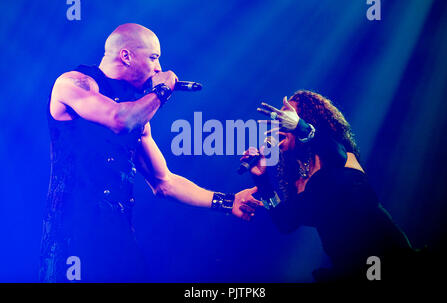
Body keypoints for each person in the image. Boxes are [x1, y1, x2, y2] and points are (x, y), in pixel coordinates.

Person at [40, 23, 260, 282]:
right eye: (154, 57)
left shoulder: (137, 114)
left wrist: (228, 201)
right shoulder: (72, 83)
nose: (159, 68)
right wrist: (162, 90)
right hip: (73, 237)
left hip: (117, 236)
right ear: (126, 56)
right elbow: (119, 120)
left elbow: (164, 183)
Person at [243, 90, 415, 282]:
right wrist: (263, 181)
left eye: (286, 116)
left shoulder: (334, 150)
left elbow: (336, 155)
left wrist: (301, 127)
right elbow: (286, 223)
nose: (280, 124)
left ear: (306, 119)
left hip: (383, 251)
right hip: (349, 264)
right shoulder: (298, 177)